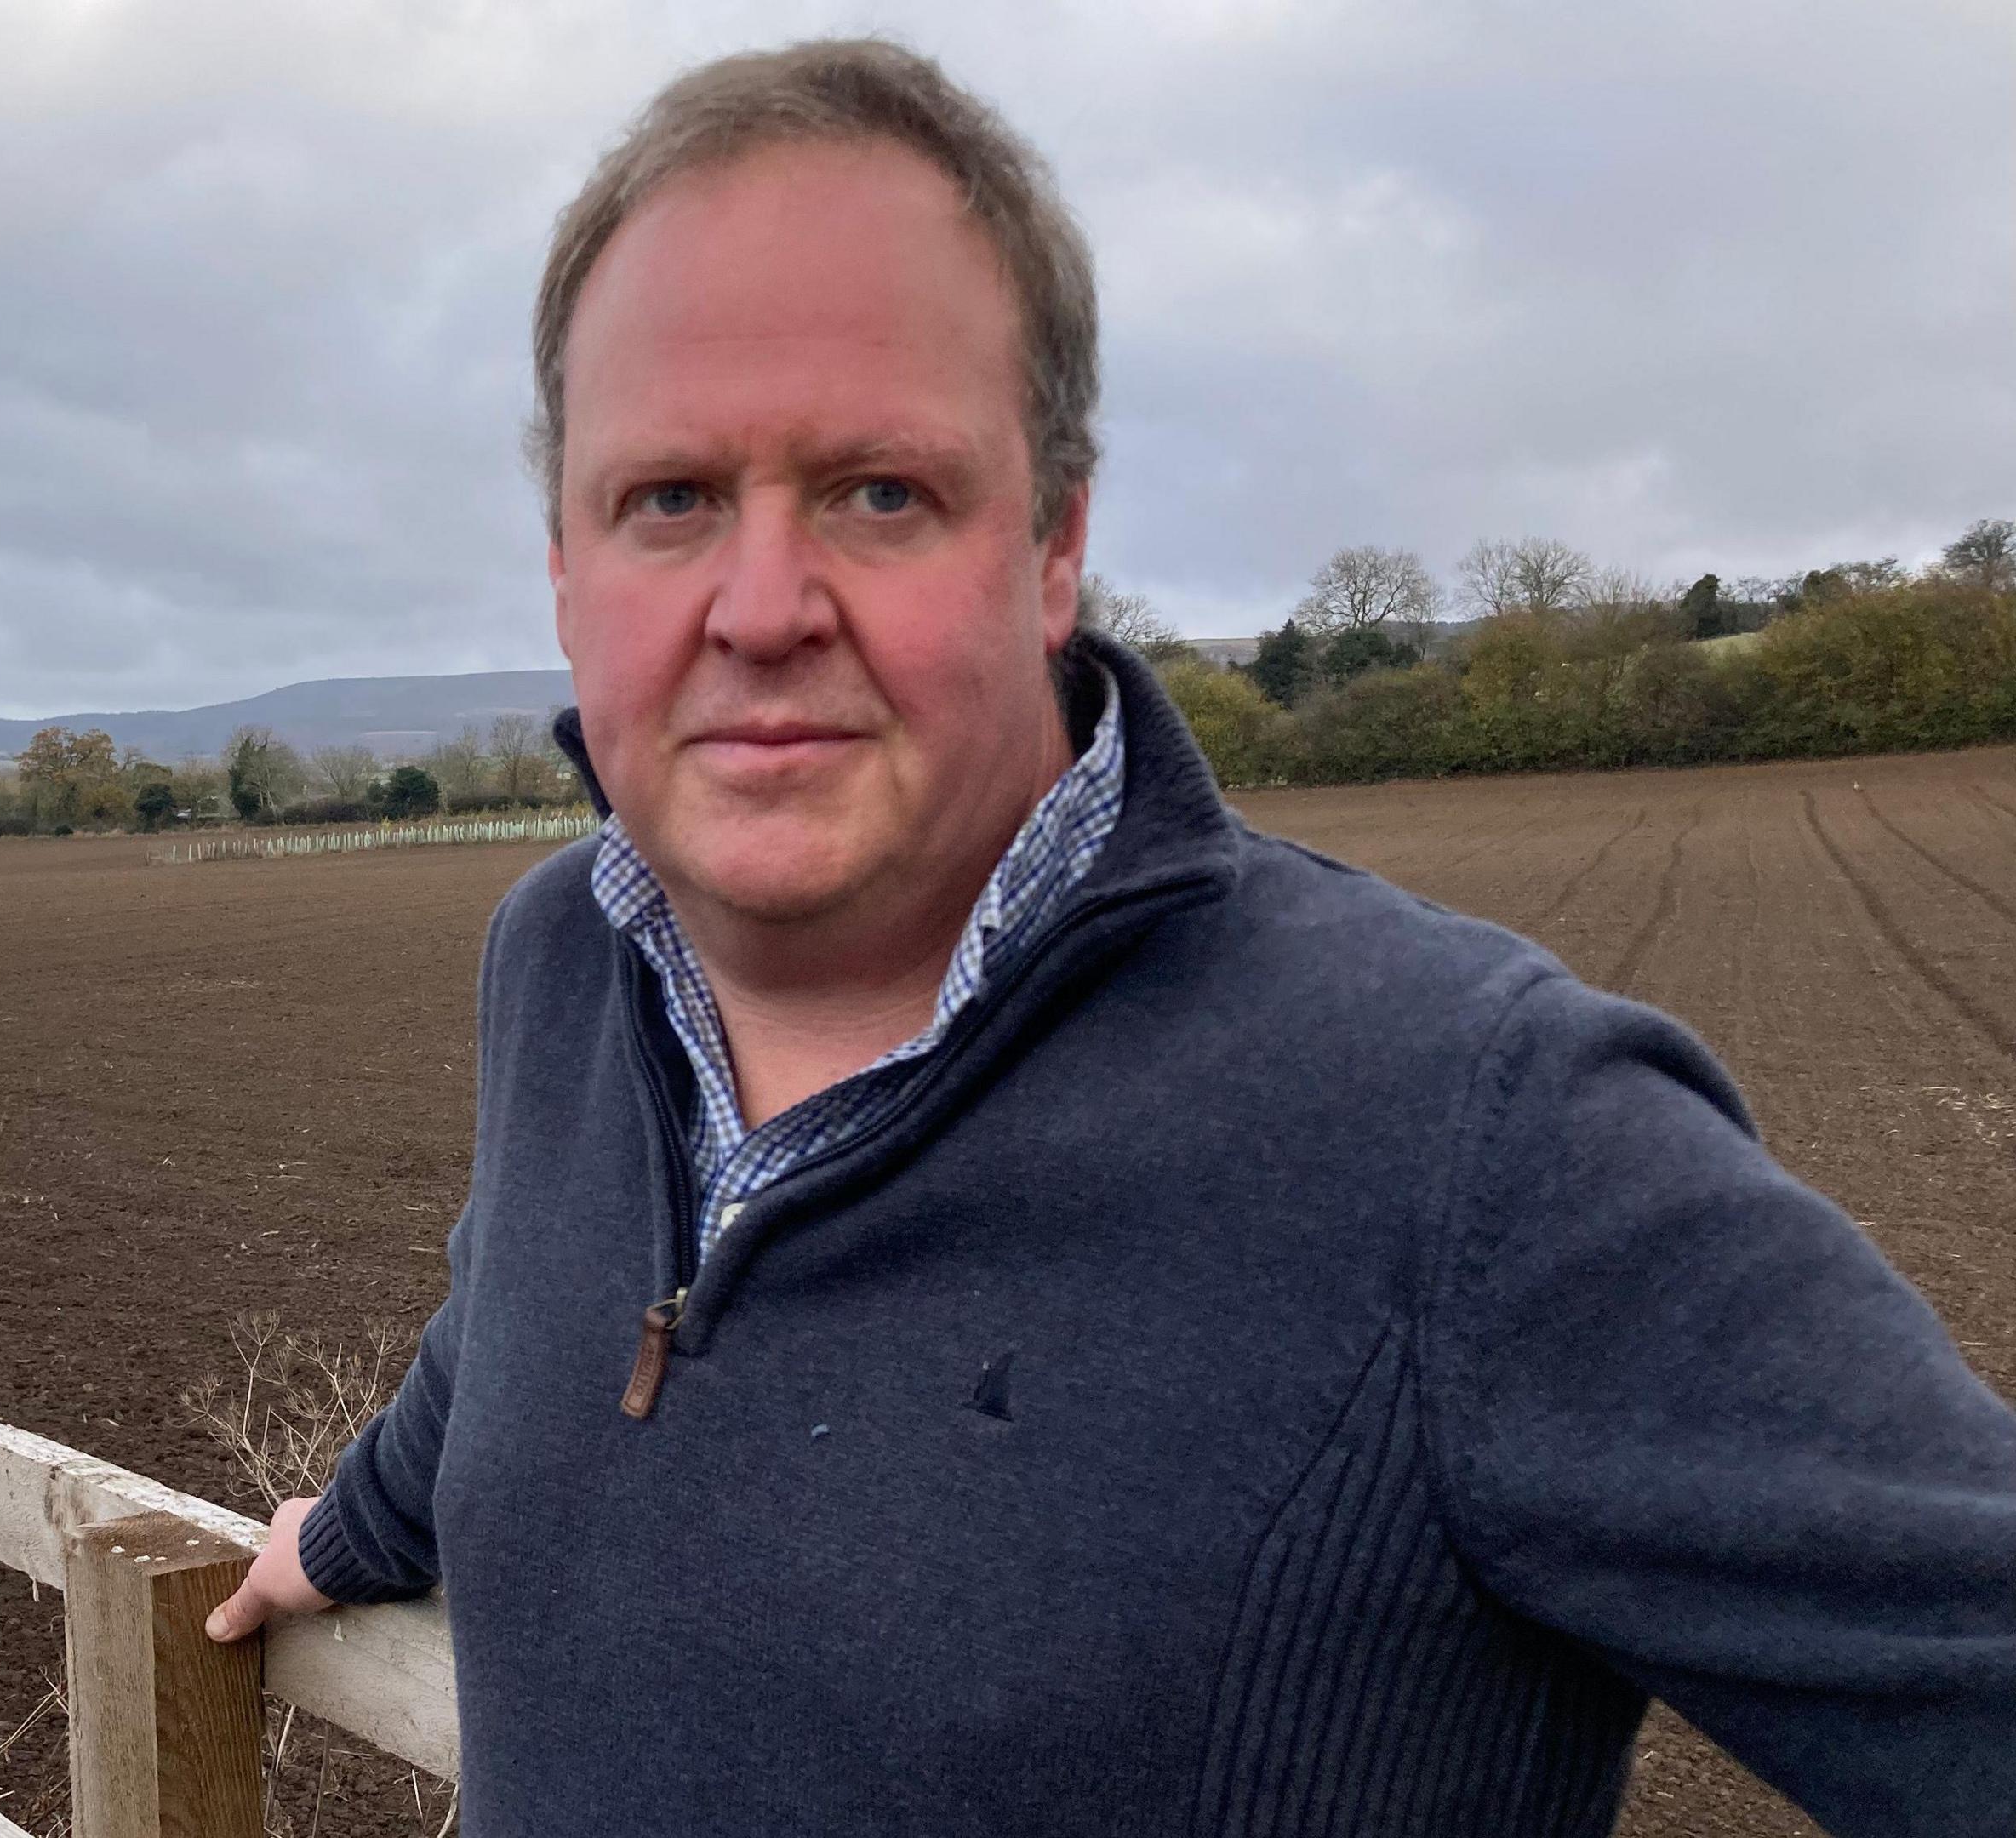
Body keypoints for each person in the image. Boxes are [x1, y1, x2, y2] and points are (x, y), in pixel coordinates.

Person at [203, 37, 2016, 1836]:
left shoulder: (1476, 1135)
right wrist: (349, 1533)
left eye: (879, 492)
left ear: (1056, 544)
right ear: (564, 565)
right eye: (669, 498)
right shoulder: (560, 963)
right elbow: (517, 1317)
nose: (761, 608)